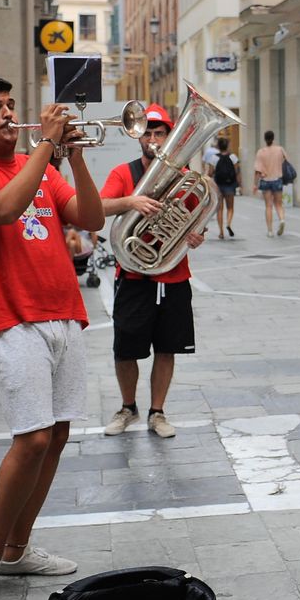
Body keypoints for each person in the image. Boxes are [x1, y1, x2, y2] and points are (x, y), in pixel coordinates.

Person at [0, 76, 105, 600]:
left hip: (63, 313)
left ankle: (17, 549)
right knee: (31, 439)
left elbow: (93, 218)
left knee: (56, 437)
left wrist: (73, 158)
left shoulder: (40, 165)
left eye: (12, 105)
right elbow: (6, 208)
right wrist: (49, 148)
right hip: (9, 318)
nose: (8, 115)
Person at [100, 103, 202, 439]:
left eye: (160, 133)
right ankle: (128, 407)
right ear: (139, 136)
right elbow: (98, 208)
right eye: (149, 132)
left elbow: (195, 221)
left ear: (170, 137)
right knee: (125, 348)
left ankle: (157, 412)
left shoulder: (186, 177)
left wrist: (193, 235)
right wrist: (131, 202)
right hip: (133, 276)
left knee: (167, 347)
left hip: (173, 276)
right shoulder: (123, 174)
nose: (154, 138)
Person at [253, 130, 289, 236]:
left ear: (265, 139)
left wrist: (255, 184)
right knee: (278, 204)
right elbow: (286, 161)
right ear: (273, 138)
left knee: (268, 206)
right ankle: (282, 219)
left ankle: (270, 231)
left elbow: (257, 170)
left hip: (265, 181)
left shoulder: (261, 152)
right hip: (277, 179)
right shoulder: (280, 150)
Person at [206, 136, 240, 239]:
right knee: (230, 208)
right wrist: (239, 183)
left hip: (218, 186)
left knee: (219, 209)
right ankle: (228, 224)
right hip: (230, 185)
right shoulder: (233, 157)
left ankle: (221, 232)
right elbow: (237, 171)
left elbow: (210, 173)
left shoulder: (214, 158)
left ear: (218, 147)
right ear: (227, 146)